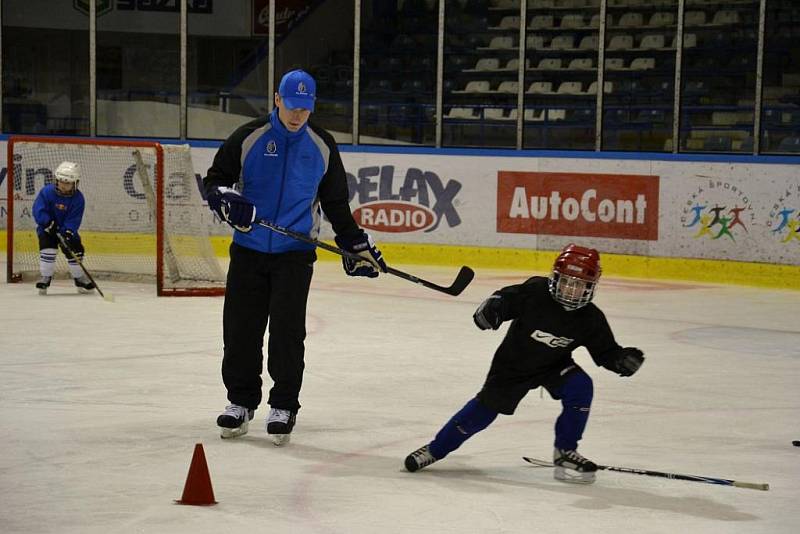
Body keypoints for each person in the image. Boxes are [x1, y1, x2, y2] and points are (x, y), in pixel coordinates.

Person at [203, 68, 387, 445]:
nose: (297, 115)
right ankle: (240, 401)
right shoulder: (249, 136)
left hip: (294, 254)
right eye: (291, 105)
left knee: (287, 334)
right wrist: (225, 201)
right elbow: (215, 181)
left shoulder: (322, 144)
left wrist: (354, 244)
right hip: (249, 250)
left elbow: (335, 201)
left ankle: (283, 404)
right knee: (240, 331)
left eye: (304, 108)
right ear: (277, 99)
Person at [404, 244, 645, 484]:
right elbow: (502, 300)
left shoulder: (591, 318)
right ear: (555, 278)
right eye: (566, 282)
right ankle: (435, 450)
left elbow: (606, 352)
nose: (571, 290)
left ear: (591, 287)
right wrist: (490, 311)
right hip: (512, 367)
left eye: (579, 285)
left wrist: (620, 360)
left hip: (553, 366)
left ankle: (565, 451)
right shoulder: (535, 292)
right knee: (482, 413)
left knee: (581, 387)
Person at [32, 161, 95, 295]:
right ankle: (45, 277)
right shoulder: (46, 192)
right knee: (48, 249)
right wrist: (47, 223)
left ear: (75, 183)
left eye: (67, 183)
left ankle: (79, 279)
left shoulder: (79, 198)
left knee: (76, 250)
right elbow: (39, 209)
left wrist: (67, 231)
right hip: (47, 229)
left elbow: (74, 219)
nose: (63, 185)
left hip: (66, 231)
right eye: (61, 181)